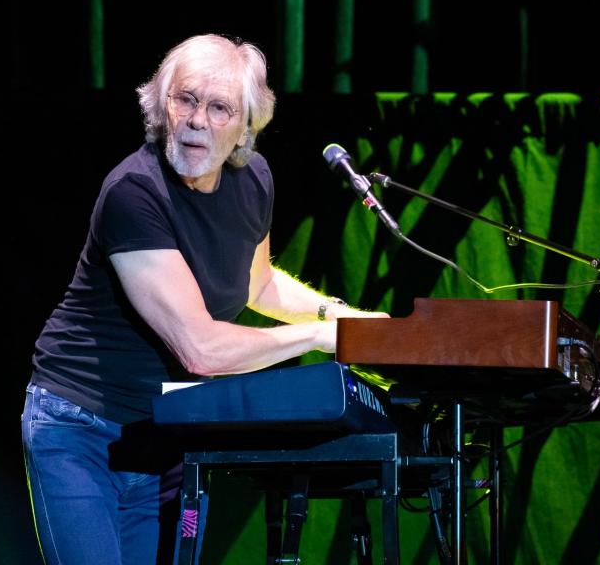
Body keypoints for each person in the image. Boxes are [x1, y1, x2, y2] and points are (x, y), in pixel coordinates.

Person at [22, 33, 386, 565]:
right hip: (79, 427)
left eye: (220, 108)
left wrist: (344, 317)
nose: (198, 120)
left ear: (246, 125)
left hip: (166, 431)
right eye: (185, 99)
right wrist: (322, 337)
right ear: (161, 105)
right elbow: (201, 349)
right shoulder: (133, 192)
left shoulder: (254, 179)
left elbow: (256, 284)